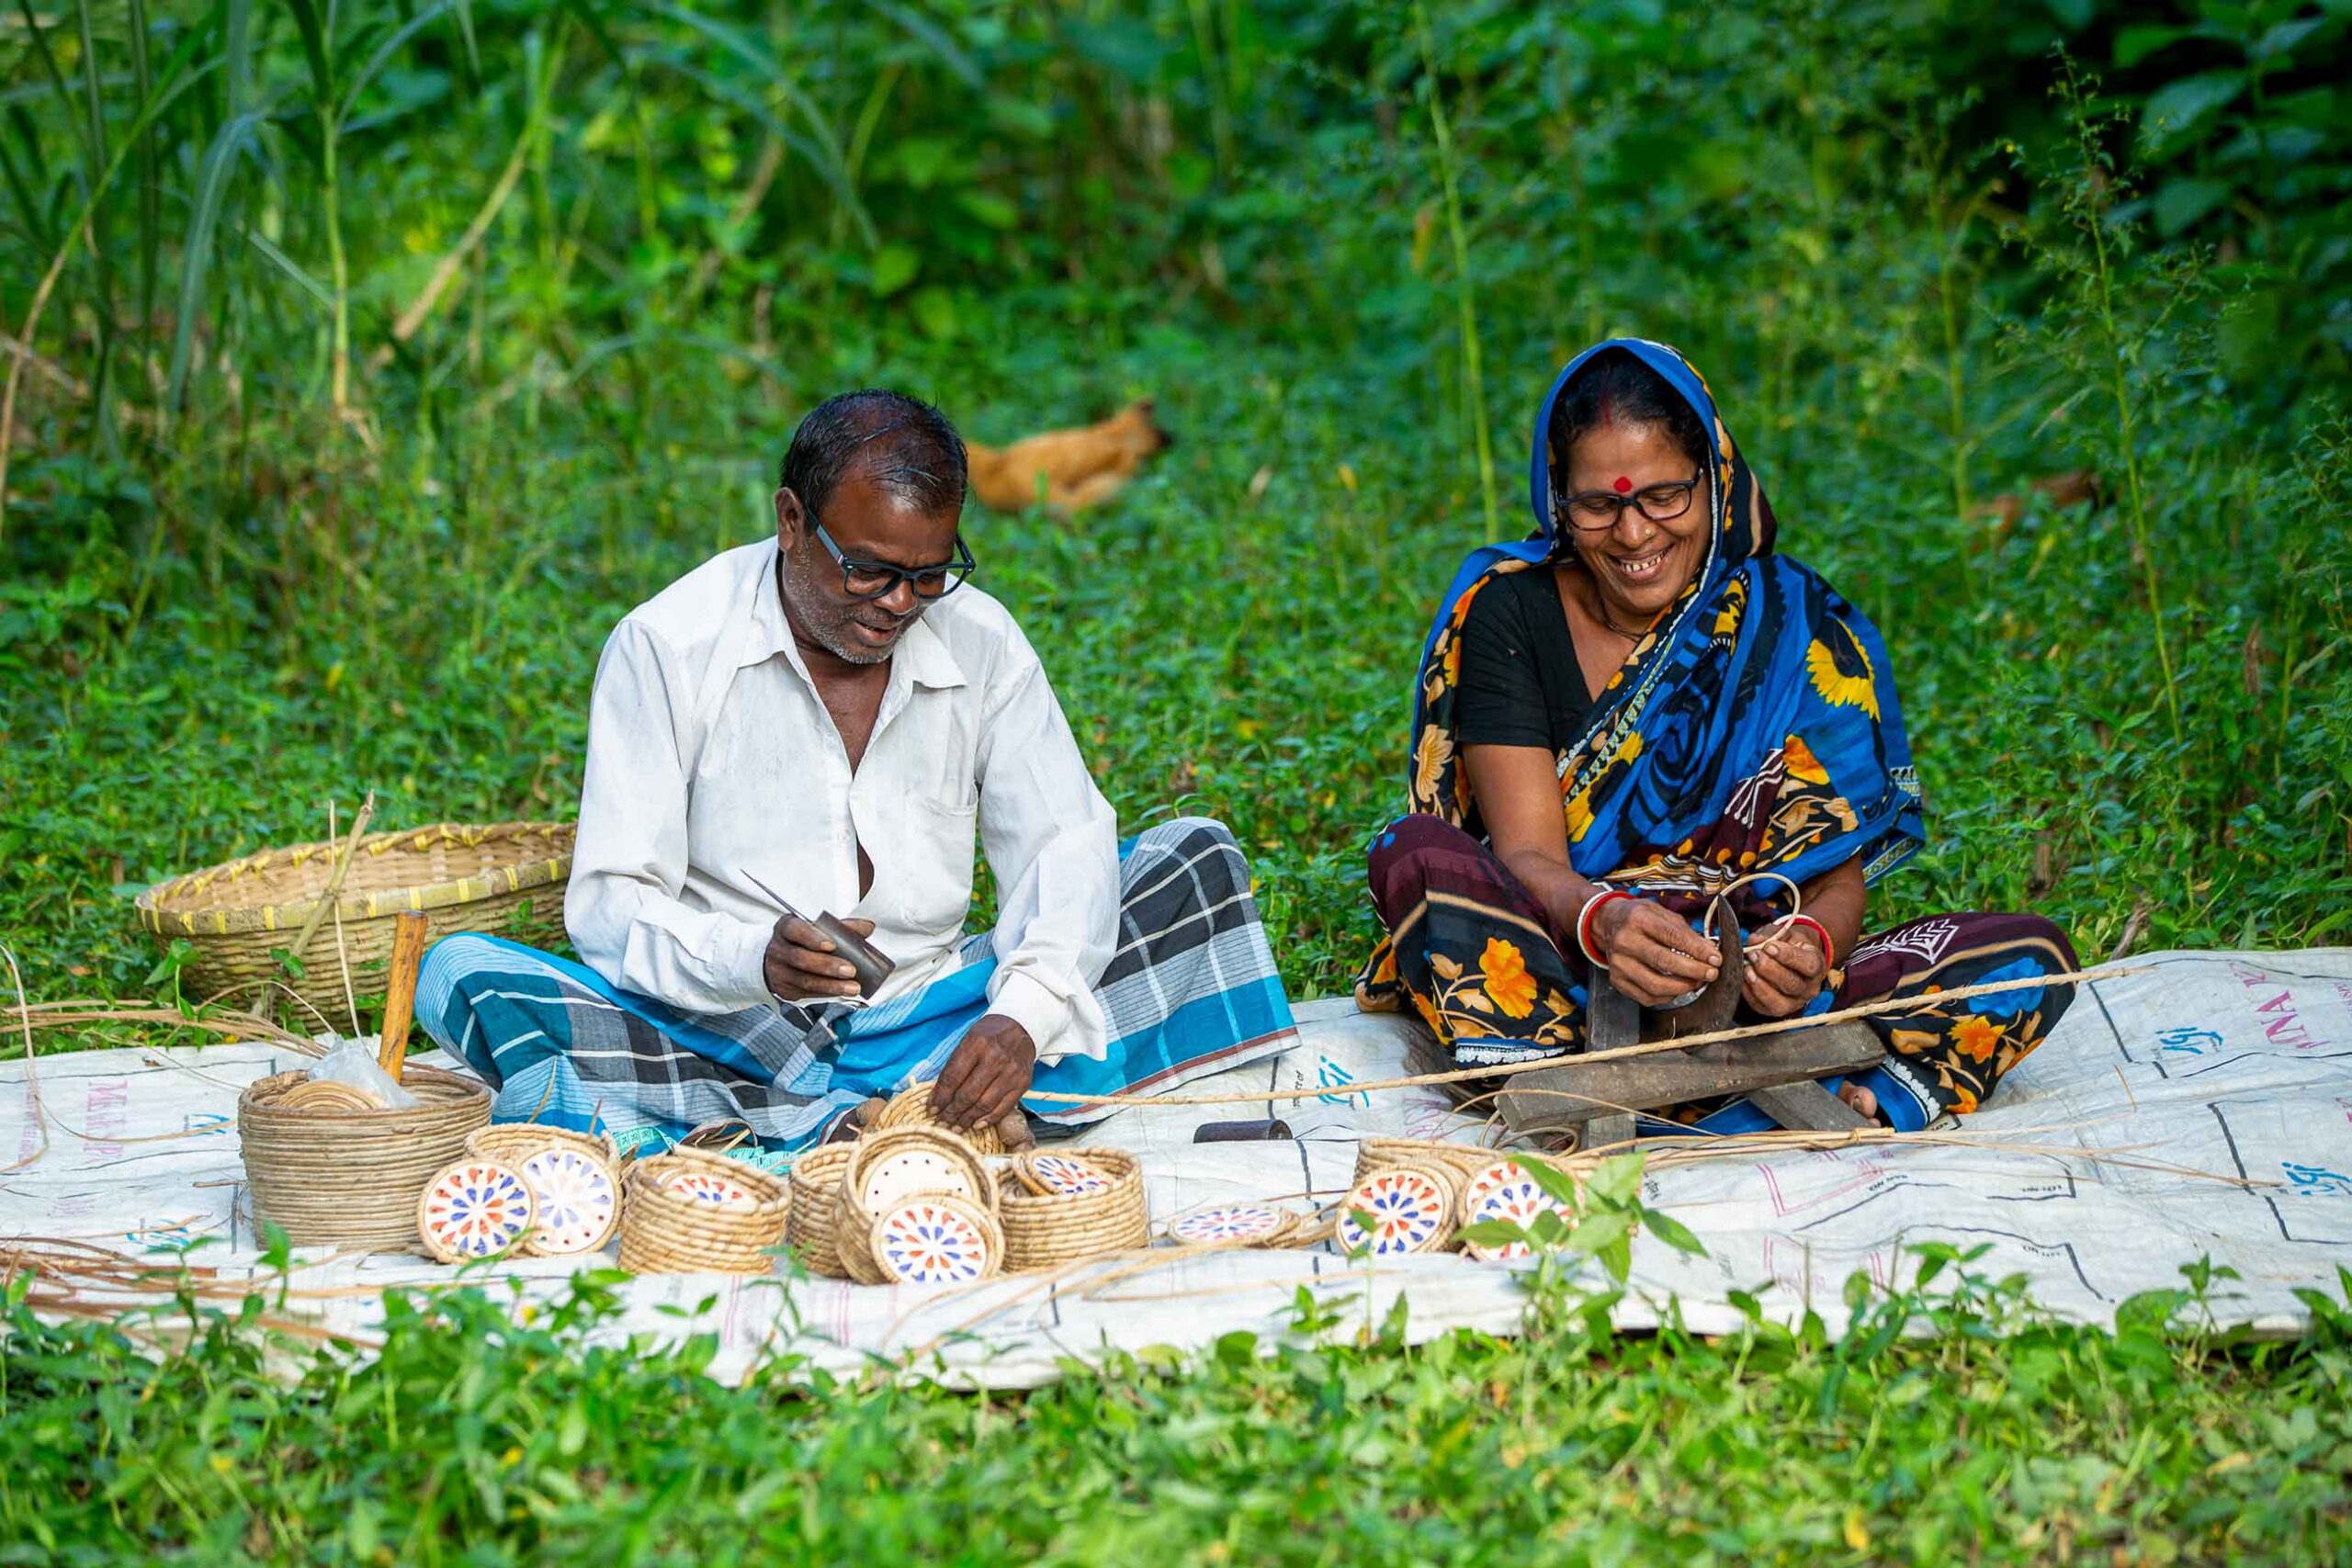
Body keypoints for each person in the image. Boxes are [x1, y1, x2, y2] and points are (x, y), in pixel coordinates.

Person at [418, 389, 1297, 1150]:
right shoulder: (668, 645)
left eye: (928, 576)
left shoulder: (982, 639)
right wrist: (753, 960)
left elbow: (1064, 845)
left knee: (1194, 864)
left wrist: (1020, 1019)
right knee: (467, 973)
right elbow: (612, 903)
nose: (899, 606)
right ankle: (898, 1121)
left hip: (932, 1017)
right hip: (728, 1027)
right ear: (791, 522)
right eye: (870, 571)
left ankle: (823, 1124)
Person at [1357, 340, 2075, 1133]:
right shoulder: (1509, 613)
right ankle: (1740, 1096)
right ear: (1556, 501)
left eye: (1665, 496)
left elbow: (1835, 878)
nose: (1634, 535)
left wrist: (1806, 947)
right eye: (1598, 504)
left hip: (1751, 987)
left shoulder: (1790, 625)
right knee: (1417, 855)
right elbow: (1527, 857)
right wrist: (1603, 922)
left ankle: (1605, 1093)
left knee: (2027, 956)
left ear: (1716, 482)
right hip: (1572, 965)